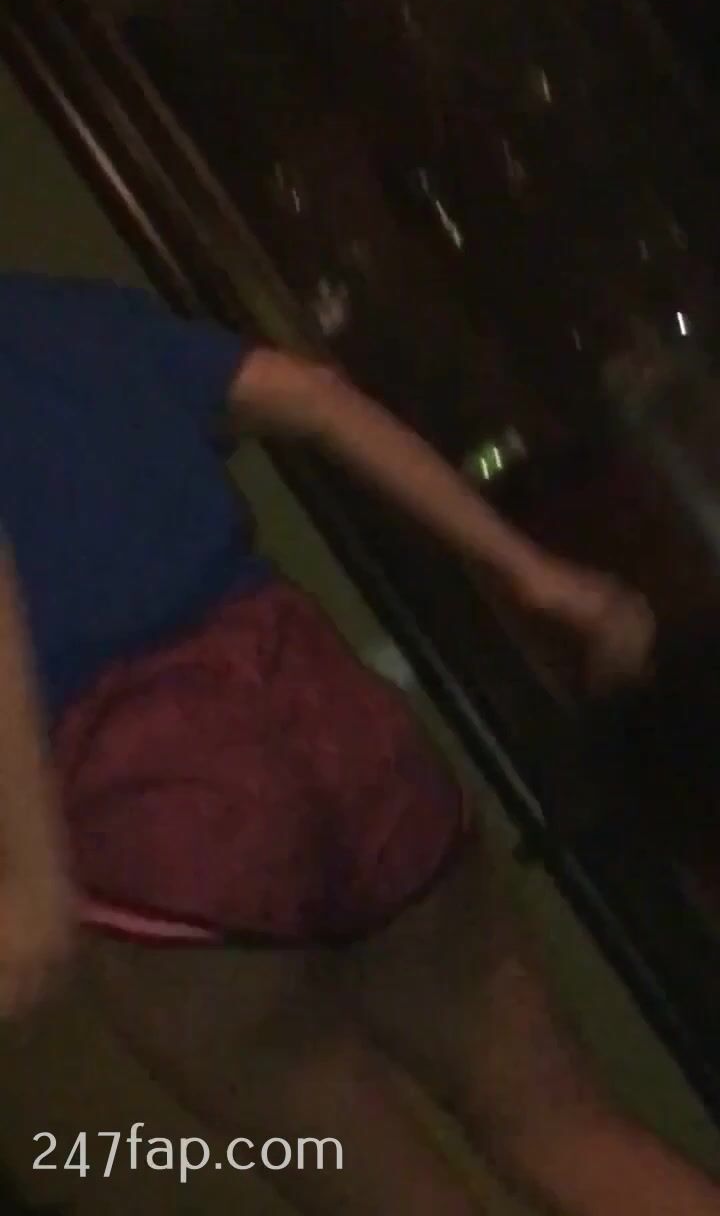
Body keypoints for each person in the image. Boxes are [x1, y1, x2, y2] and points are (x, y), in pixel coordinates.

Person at [0, 271, 717, 1215]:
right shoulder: (64, 317)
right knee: (561, 1124)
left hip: (151, 806)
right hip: (327, 715)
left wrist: (35, 878)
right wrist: (539, 575)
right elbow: (316, 398)